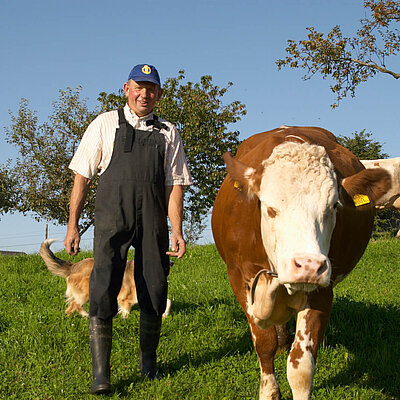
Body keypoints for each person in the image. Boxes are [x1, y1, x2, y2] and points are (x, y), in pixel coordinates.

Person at [64, 64, 192, 395]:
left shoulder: (169, 132)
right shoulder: (104, 123)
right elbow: (82, 176)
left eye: (151, 89)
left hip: (153, 220)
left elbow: (175, 185)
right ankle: (101, 375)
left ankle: (148, 365)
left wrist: (176, 230)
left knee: (155, 287)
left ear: (159, 94)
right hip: (112, 218)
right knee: (103, 287)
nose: (144, 94)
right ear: (126, 89)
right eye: (138, 87)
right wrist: (73, 224)